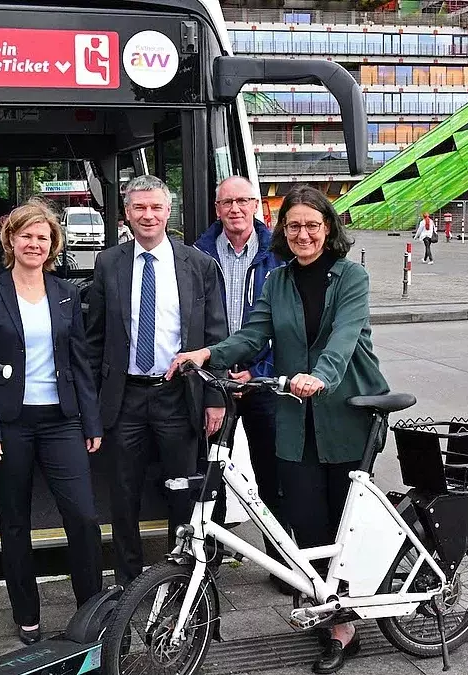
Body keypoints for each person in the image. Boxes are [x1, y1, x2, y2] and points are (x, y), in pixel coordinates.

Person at [167, 186, 390, 674]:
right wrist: (207, 355)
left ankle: (342, 626)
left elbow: (344, 338)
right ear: (283, 232)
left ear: (328, 228)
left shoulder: (350, 276)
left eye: (312, 225)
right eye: (294, 226)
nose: (303, 233)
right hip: (296, 413)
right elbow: (254, 333)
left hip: (346, 408)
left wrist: (321, 376)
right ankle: (326, 603)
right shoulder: (279, 280)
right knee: (304, 516)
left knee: (341, 519)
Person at [0, 198, 104, 646]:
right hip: (10, 424)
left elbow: (80, 361)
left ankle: (92, 611)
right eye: (26, 235)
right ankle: (26, 615)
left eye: (42, 237)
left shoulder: (65, 292)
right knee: (14, 523)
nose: (34, 243)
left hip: (62, 420)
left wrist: (91, 422)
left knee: (83, 518)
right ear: (11, 239)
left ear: (53, 244)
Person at [85, 175, 229, 587]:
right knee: (123, 496)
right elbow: (95, 337)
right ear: (126, 213)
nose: (147, 216)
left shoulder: (198, 264)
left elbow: (216, 337)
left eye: (156, 208)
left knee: (182, 494)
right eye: (138, 208)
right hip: (125, 397)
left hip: (178, 397)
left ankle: (181, 580)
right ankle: (128, 584)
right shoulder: (108, 263)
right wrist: (92, 406)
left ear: (169, 212)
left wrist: (215, 396)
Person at [192, 176, 283, 567]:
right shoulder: (197, 255)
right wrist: (217, 371)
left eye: (243, 201)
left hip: (262, 382)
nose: (235, 209)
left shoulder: (279, 253)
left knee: (274, 476)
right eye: (227, 202)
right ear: (217, 209)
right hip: (215, 383)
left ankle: (283, 562)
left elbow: (287, 326)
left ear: (256, 205)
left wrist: (257, 370)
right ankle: (208, 559)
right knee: (212, 472)